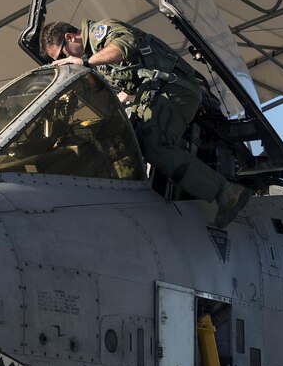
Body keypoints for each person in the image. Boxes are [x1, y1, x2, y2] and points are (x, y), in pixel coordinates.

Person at [39, 19, 250, 228]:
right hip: (155, 93)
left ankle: (225, 192)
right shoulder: (95, 57)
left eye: (62, 54)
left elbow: (125, 44)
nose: (67, 59)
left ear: (69, 37)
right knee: (123, 146)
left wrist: (86, 63)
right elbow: (130, 82)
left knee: (154, 144)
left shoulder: (98, 33)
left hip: (174, 88)